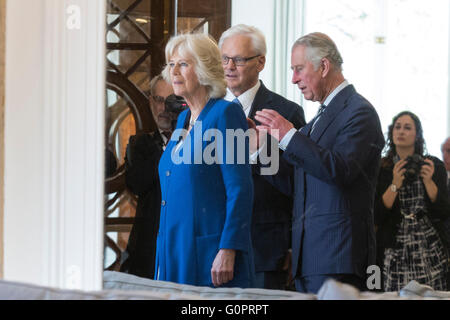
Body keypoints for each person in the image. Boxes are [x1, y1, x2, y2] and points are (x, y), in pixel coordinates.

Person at [252, 32, 384, 293]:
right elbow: (295, 182)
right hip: (310, 260)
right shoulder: (318, 121)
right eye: (292, 70)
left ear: (324, 66)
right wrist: (259, 150)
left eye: (299, 69)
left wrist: (288, 134)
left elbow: (340, 170)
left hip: (340, 259)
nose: (294, 79)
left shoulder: (359, 112)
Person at [155, 33, 254, 288]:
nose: (174, 71)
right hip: (173, 246)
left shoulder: (226, 113)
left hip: (209, 253)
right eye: (171, 64)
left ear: (205, 69)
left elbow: (239, 188)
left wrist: (229, 248)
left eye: (184, 64)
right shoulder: (182, 119)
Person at [218, 24, 305, 290]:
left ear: (261, 62)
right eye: (224, 59)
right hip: (215, 244)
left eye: (239, 59)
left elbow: (296, 184)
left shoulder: (286, 111)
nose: (229, 66)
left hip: (266, 249)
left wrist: (259, 152)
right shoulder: (213, 111)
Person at [374, 111, 450, 291]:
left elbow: (444, 211)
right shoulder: (381, 168)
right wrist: (394, 184)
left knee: (433, 292)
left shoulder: (434, 165)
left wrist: (429, 182)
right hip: (394, 245)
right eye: (397, 127)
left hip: (429, 244)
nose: (401, 131)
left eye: (407, 128)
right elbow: (376, 214)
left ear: (417, 135)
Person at [119, 75, 174, 279]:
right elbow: (137, 184)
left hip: (184, 241)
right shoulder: (139, 144)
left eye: (171, 101)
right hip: (147, 246)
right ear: (151, 103)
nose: (164, 108)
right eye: (159, 100)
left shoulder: (195, 143)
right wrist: (170, 147)